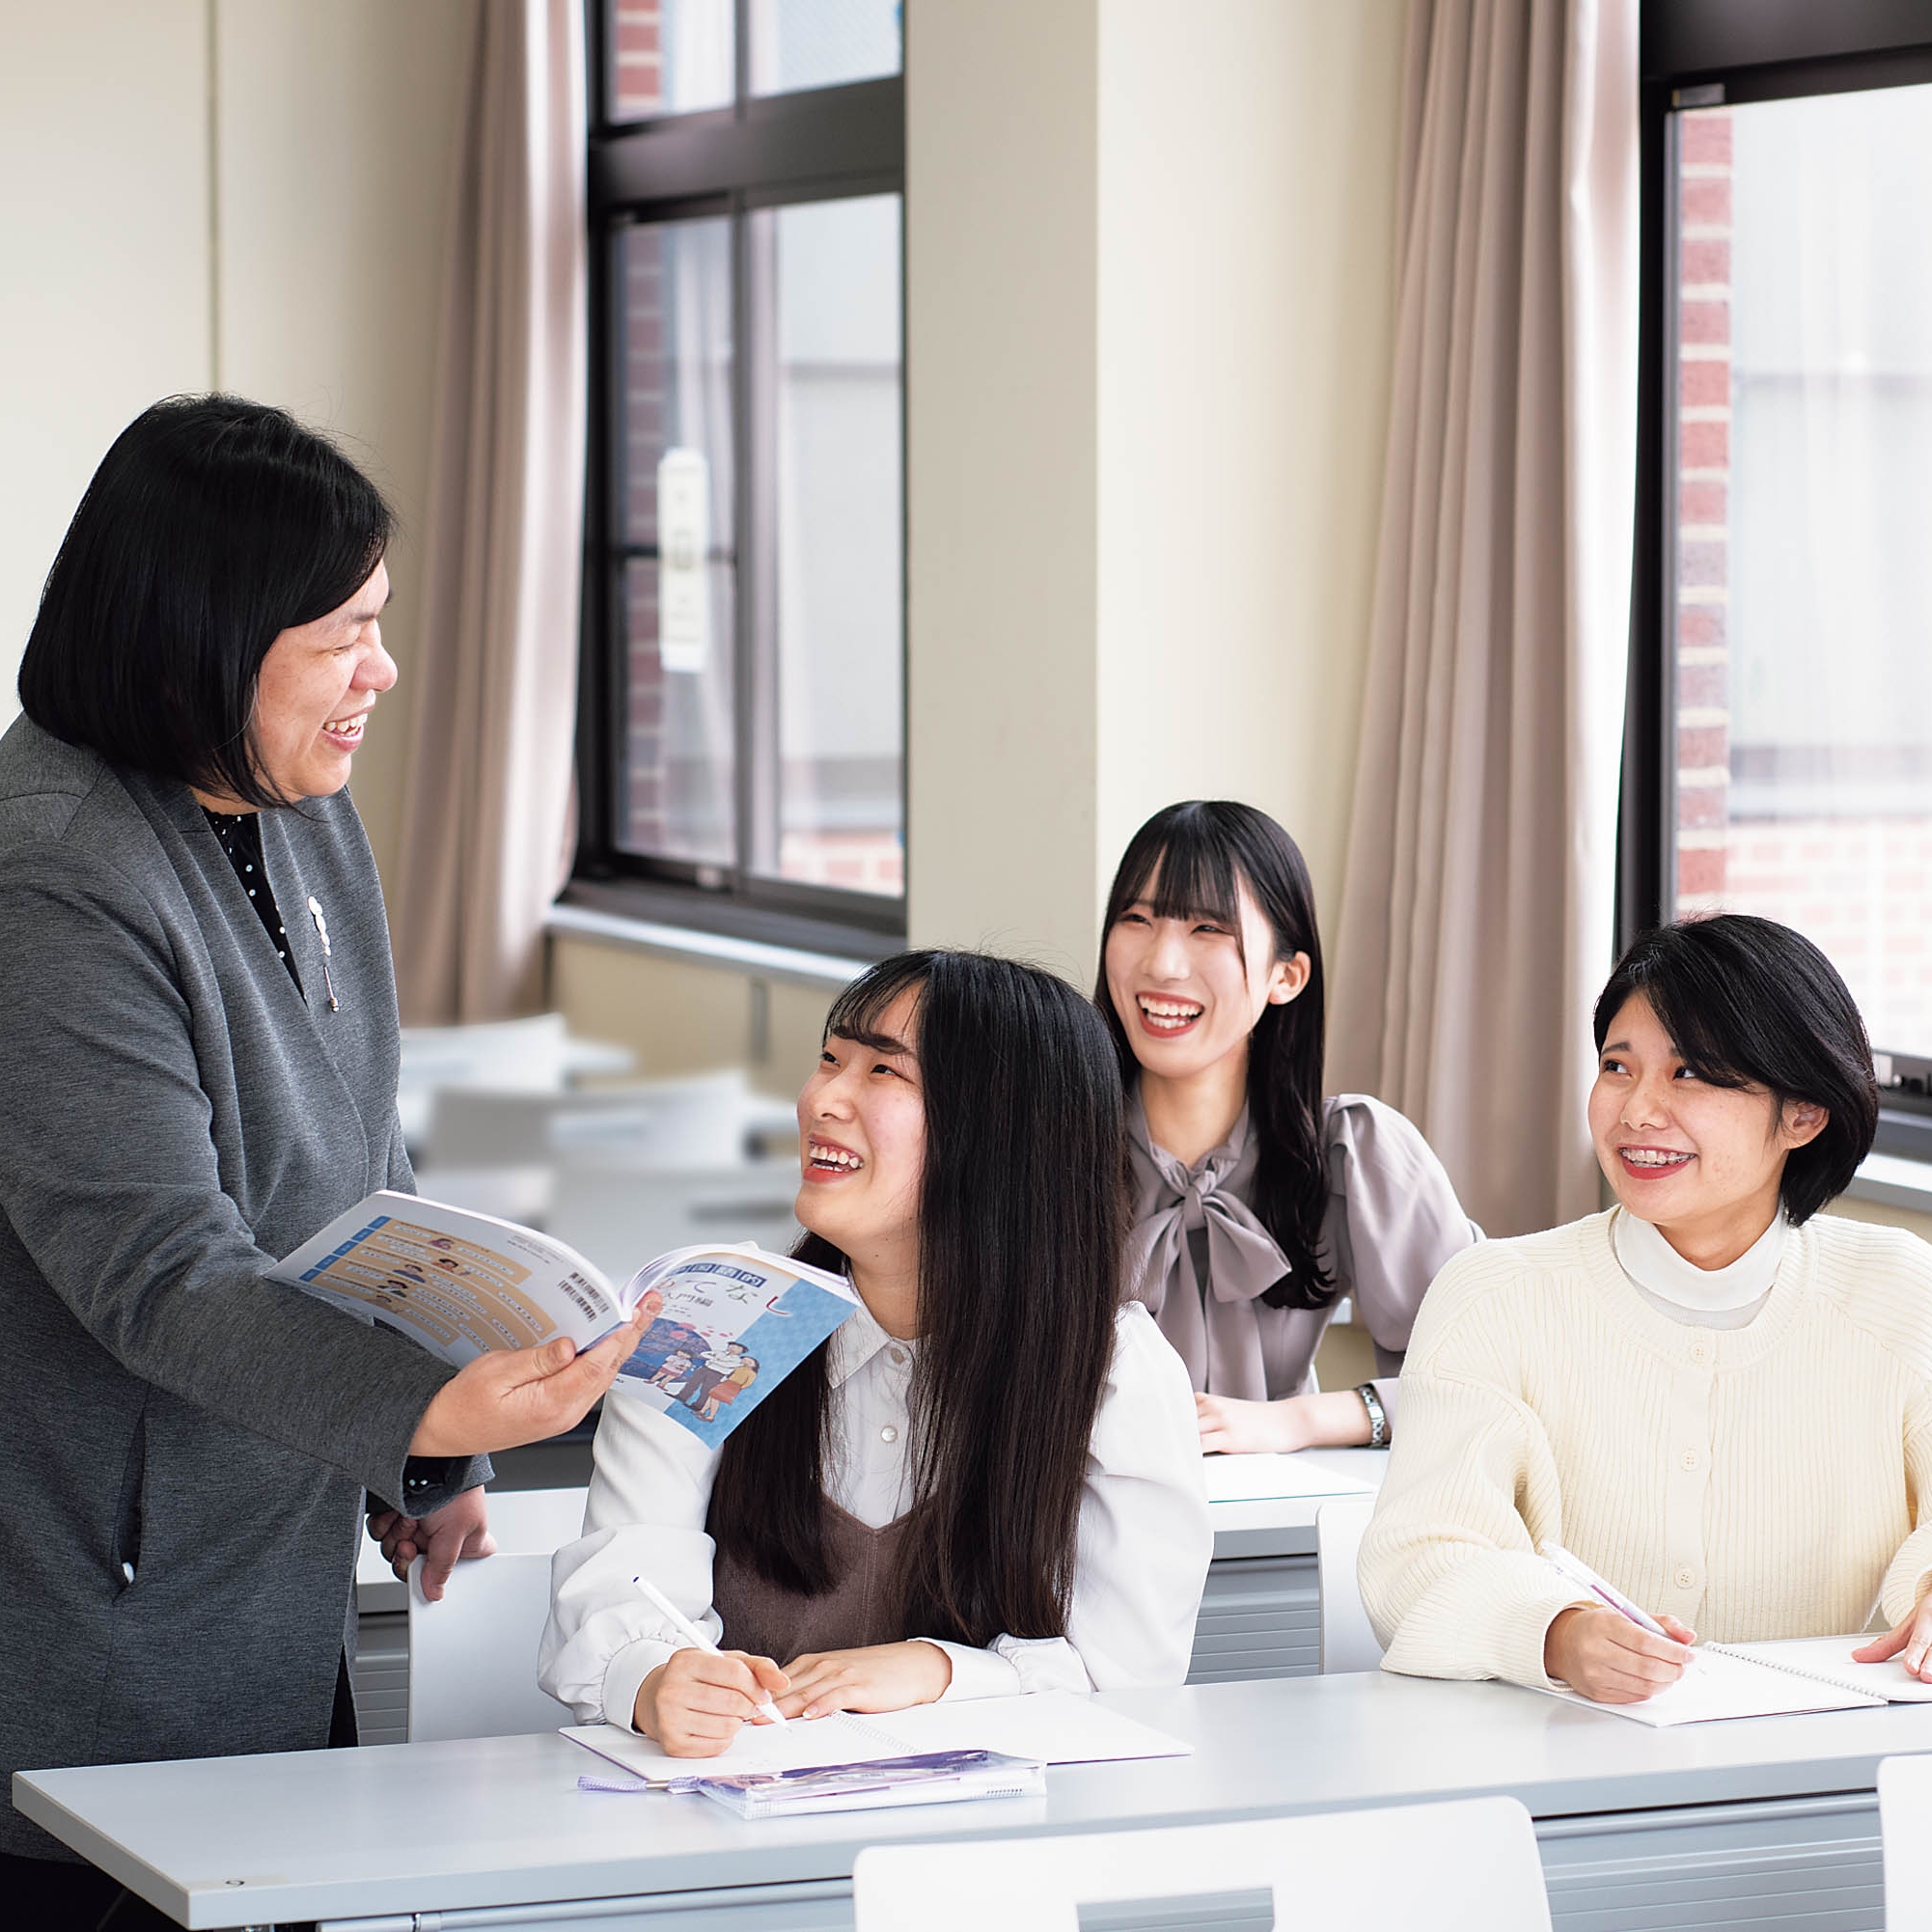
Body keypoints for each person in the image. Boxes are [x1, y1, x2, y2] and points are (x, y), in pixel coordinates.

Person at [0, 398, 645, 1920]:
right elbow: (160, 1270)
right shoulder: (55, 870)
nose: (385, 672)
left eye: (385, 622)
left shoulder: (295, 803)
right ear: (209, 638)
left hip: (274, 1595)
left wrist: (417, 1453)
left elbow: (359, 1158)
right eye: (344, 633)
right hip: (106, 1628)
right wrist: (411, 1410)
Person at [540, 950, 1212, 1756]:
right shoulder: (724, 1320)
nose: (821, 1099)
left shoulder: (1115, 1375)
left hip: (995, 1851)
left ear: (1002, 1133)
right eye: (830, 1059)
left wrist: (938, 1672)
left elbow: (1132, 1679)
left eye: (884, 1074)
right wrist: (652, 1679)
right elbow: (620, 1585)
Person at [1359, 914, 1932, 1703]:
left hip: (1824, 1768)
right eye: (1618, 1067)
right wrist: (1555, 1632)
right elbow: (1419, 1553)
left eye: (1690, 1073)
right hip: (1555, 1763)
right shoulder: (1494, 1294)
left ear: (1802, 1114)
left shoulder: (1900, 1291)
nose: (1636, 1111)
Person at [1096, 801, 1478, 1454]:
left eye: (1208, 929)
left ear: (1286, 975)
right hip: (1073, 1533)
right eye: (1137, 918)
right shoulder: (1046, 1144)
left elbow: (1486, 1377)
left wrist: (1292, 1422)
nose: (1162, 963)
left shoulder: (1354, 1153)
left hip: (1284, 1523)